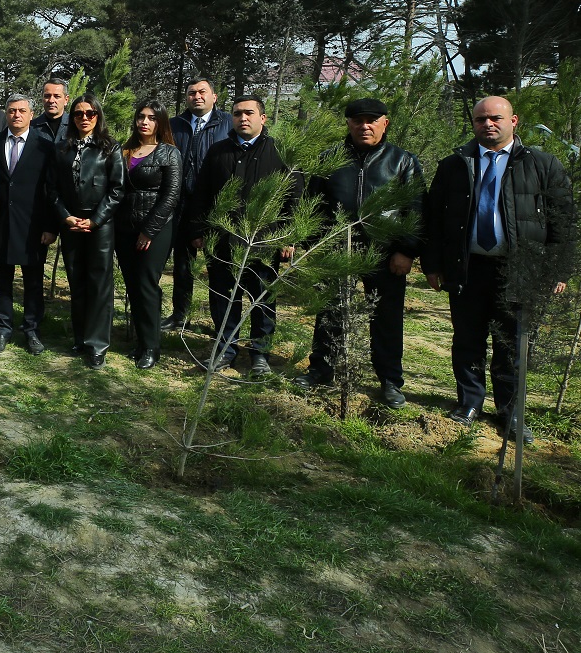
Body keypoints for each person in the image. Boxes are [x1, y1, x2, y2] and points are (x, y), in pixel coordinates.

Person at [424, 95, 576, 442]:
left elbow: (564, 221)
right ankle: (469, 403)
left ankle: (511, 413)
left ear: (514, 121)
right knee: (468, 339)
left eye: (495, 118)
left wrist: (560, 270)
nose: (488, 124)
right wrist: (432, 264)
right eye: (481, 119)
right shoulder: (455, 165)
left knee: (512, 344)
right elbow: (434, 218)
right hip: (468, 266)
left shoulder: (542, 164)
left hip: (520, 269)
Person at [299, 98, 425, 408]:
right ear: (348, 123)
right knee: (329, 313)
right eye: (358, 120)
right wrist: (316, 244)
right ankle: (321, 369)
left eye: (372, 120)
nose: (364, 126)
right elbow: (311, 203)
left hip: (385, 254)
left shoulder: (402, 161)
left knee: (386, 317)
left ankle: (390, 380)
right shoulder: (329, 159)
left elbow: (416, 208)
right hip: (336, 248)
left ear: (385, 123)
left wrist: (406, 251)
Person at [189, 95, 297, 377]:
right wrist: (199, 230)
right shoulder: (218, 152)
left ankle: (260, 354)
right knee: (224, 299)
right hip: (223, 241)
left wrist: (288, 237)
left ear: (263, 118)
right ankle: (226, 349)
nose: (242, 118)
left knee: (262, 300)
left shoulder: (280, 152)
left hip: (264, 242)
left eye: (249, 113)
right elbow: (202, 194)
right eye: (237, 114)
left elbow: (294, 198)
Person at [49, 95, 124, 366]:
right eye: (78, 113)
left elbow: (117, 189)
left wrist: (95, 220)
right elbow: (52, 188)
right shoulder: (61, 148)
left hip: (99, 226)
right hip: (71, 224)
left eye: (90, 113)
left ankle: (97, 345)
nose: (84, 118)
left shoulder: (110, 147)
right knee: (77, 281)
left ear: (98, 116)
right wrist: (66, 217)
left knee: (99, 284)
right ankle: (80, 338)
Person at [0, 95, 57, 355]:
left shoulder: (45, 145)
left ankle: (31, 329)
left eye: (22, 111)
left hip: (33, 227)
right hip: (0, 224)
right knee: (2, 280)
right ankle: (3, 328)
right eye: (12, 111)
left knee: (33, 282)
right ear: (6, 114)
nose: (16, 115)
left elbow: (51, 189)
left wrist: (50, 226)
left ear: (31, 114)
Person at [115, 101, 182, 370]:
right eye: (141, 117)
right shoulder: (125, 150)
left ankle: (152, 347)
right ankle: (141, 342)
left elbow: (171, 196)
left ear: (160, 122)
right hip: (124, 228)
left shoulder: (169, 153)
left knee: (146, 284)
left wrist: (149, 231)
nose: (144, 122)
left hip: (155, 229)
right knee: (133, 284)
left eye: (151, 118)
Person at [165, 77, 231, 331]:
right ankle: (180, 316)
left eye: (202, 92)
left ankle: (222, 325)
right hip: (182, 206)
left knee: (219, 269)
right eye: (192, 93)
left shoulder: (228, 123)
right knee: (183, 267)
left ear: (214, 96)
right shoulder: (174, 125)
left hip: (217, 208)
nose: (197, 97)